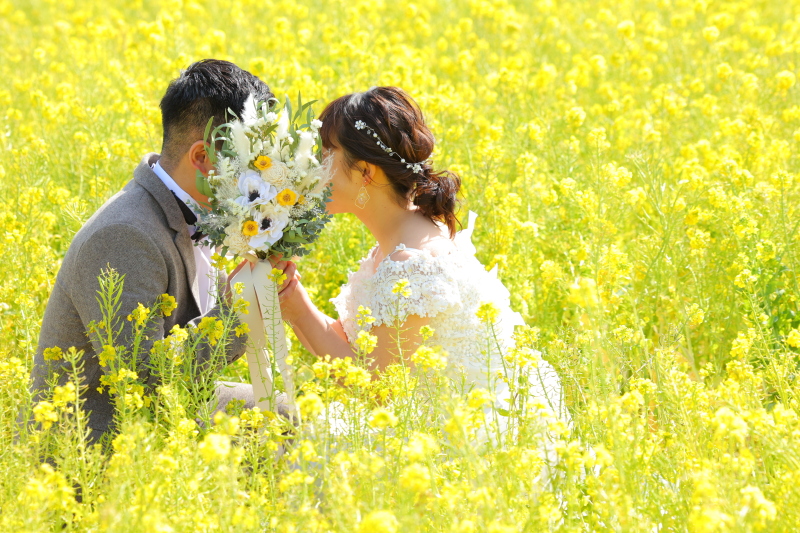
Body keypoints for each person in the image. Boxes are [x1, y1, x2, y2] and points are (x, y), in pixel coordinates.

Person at [29, 59, 287, 446]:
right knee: (288, 425)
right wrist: (239, 311)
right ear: (202, 158)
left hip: (172, 411)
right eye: (253, 160)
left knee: (298, 415)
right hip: (103, 443)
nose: (263, 175)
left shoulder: (202, 206)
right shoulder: (125, 234)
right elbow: (143, 380)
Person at [277, 87, 567, 428]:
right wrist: (292, 299)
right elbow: (353, 347)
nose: (312, 168)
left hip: (456, 441)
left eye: (326, 154)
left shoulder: (411, 263)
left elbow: (379, 389)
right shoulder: (402, 239)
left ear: (366, 173)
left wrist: (294, 308)